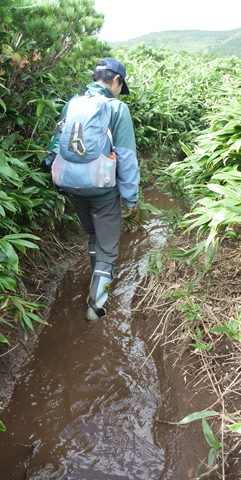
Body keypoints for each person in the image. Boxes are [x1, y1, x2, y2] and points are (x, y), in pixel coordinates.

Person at [46, 58, 140, 321]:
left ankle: (95, 277)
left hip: (71, 185)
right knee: (108, 250)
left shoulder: (73, 103)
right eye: (121, 85)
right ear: (116, 81)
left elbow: (56, 143)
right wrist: (132, 200)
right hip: (103, 190)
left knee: (92, 235)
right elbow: (126, 158)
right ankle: (95, 309)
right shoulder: (117, 108)